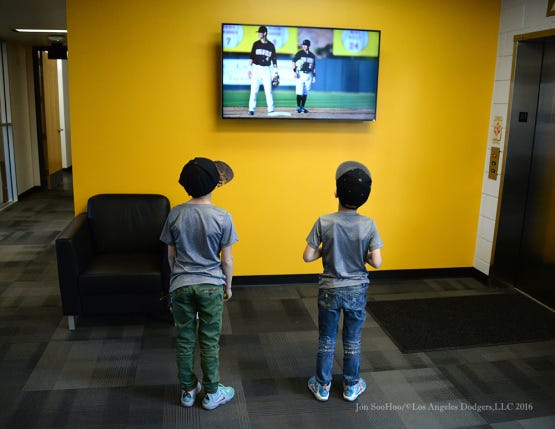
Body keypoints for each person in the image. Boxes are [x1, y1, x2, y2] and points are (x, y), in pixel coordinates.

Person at [160, 157, 238, 410]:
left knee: (184, 339)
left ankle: (187, 390)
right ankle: (212, 392)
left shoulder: (175, 213)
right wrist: (227, 287)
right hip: (211, 286)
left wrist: (177, 279)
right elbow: (227, 260)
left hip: (181, 285)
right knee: (209, 340)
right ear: (216, 184)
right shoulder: (223, 217)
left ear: (185, 185)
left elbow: (170, 255)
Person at [303, 161, 383, 402]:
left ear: (336, 192)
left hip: (329, 290)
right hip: (356, 291)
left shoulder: (324, 221)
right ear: (365, 198)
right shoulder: (369, 224)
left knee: (326, 339)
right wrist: (362, 255)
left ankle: (322, 385)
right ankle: (350, 386)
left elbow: (307, 256)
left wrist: (326, 249)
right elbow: (377, 262)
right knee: (352, 339)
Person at [248, 25, 278, 116]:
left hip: (266, 69)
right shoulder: (255, 44)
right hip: (256, 69)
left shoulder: (271, 46)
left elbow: (274, 61)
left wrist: (276, 73)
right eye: (258, 32)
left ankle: (271, 110)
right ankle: (251, 109)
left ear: (264, 33)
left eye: (260, 32)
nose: (259, 34)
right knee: (254, 91)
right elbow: (251, 58)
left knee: (268, 91)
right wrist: (249, 69)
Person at [292, 39, 316, 113]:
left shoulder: (312, 56)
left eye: (305, 45)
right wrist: (294, 71)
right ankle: (298, 107)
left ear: (308, 46)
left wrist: (314, 76)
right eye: (303, 45)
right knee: (299, 92)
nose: (304, 46)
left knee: (305, 92)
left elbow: (313, 67)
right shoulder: (299, 53)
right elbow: (293, 62)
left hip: (309, 75)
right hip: (300, 74)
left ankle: (302, 107)